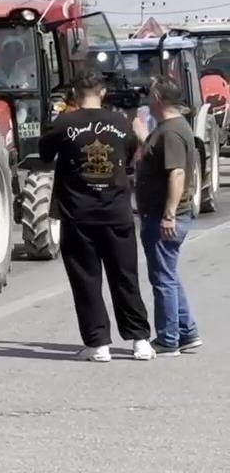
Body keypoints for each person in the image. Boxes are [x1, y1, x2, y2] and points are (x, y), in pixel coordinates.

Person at [38, 65, 154, 362]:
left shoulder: (64, 122)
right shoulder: (120, 121)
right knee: (125, 277)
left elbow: (44, 153)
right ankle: (140, 340)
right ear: (102, 92)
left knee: (86, 280)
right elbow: (128, 157)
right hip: (116, 211)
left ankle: (98, 343)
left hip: (79, 214)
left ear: (75, 94)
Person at [132, 75, 203, 356]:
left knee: (162, 280)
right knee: (169, 276)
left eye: (150, 94)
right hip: (161, 214)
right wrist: (142, 135)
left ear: (159, 99)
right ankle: (187, 333)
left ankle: (168, 339)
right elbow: (155, 155)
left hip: (164, 216)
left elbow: (177, 172)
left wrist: (169, 215)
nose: (147, 98)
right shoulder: (167, 128)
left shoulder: (171, 131)